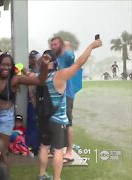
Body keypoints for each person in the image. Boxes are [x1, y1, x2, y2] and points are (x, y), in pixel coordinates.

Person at [38, 39, 102, 180]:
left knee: (44, 147)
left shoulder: (40, 77)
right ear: (55, 62)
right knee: (58, 150)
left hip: (44, 119)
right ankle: (57, 178)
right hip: (58, 119)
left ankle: (41, 175)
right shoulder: (59, 76)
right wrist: (91, 46)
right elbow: (79, 63)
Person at [0, 53, 50, 148]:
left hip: (5, 117)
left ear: (12, 67)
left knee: (2, 149)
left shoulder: (15, 79)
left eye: (8, 65)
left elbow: (40, 81)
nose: (6, 68)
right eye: (3, 64)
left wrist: (45, 65)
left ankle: (3, 163)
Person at [51, 37, 76, 163]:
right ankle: (57, 149)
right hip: (57, 94)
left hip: (67, 93)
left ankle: (70, 152)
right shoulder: (54, 58)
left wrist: (67, 45)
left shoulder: (66, 56)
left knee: (68, 122)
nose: (53, 46)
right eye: (52, 44)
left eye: (55, 44)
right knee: (56, 121)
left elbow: (72, 55)